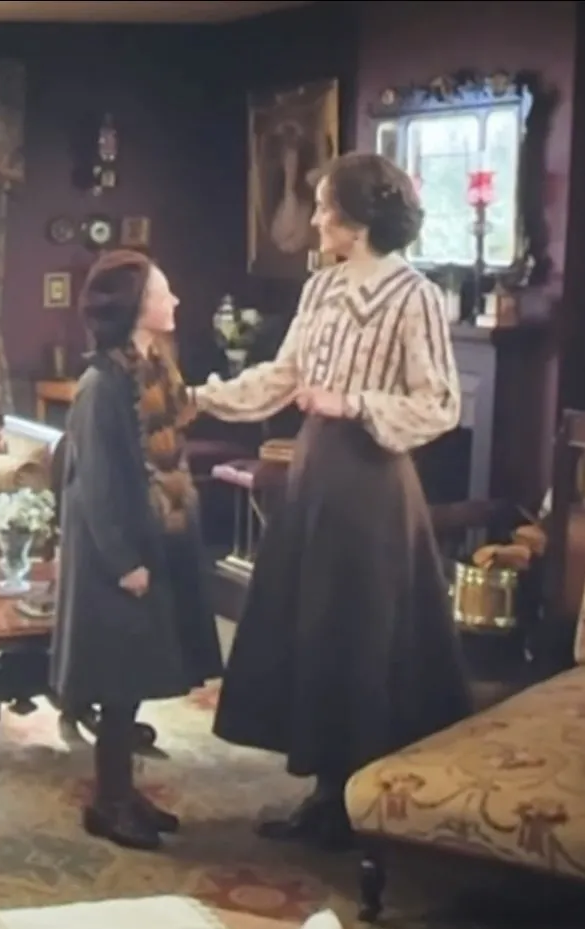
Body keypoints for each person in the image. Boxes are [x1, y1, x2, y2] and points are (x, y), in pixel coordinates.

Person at [193, 151, 472, 848]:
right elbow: (281, 377)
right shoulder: (320, 288)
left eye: (323, 208)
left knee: (361, 627)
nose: (315, 219)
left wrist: (353, 402)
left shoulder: (414, 295)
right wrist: (199, 398)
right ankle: (326, 788)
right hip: (315, 470)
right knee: (314, 621)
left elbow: (439, 403)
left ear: (356, 220)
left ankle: (367, 794)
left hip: (371, 480)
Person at [52, 249, 223, 852]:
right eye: (162, 292)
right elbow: (96, 484)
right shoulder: (102, 385)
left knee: (132, 680)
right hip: (114, 555)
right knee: (117, 681)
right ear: (134, 307)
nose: (174, 300)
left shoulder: (151, 370)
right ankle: (108, 803)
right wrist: (125, 562)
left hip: (149, 542)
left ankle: (122, 793)